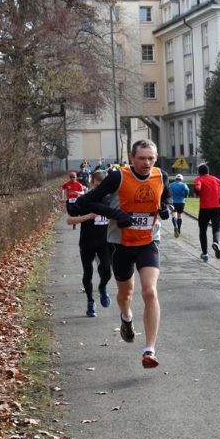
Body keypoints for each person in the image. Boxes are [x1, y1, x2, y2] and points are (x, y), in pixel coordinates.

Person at [69, 139, 172, 369]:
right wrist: (116, 214)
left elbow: (166, 197)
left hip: (149, 241)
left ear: (156, 158)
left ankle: (149, 350)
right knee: (126, 294)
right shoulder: (117, 177)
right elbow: (86, 202)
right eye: (142, 158)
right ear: (131, 157)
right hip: (120, 243)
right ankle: (126, 317)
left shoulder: (160, 176)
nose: (147, 163)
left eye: (151, 158)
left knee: (150, 291)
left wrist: (166, 208)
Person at [66, 169, 113, 317]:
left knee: (107, 270)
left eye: (103, 185)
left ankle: (102, 287)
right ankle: (90, 302)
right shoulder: (84, 200)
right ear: (92, 183)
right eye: (97, 185)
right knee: (88, 273)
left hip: (105, 242)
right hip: (87, 242)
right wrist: (88, 216)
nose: (100, 188)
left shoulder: (110, 199)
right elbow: (69, 220)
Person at [194, 164, 220, 261]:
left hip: (205, 208)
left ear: (199, 172)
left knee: (203, 230)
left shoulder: (199, 179)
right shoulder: (216, 179)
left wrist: (197, 191)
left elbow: (198, 187)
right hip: (217, 207)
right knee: (216, 228)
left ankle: (205, 254)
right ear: (208, 171)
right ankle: (216, 242)